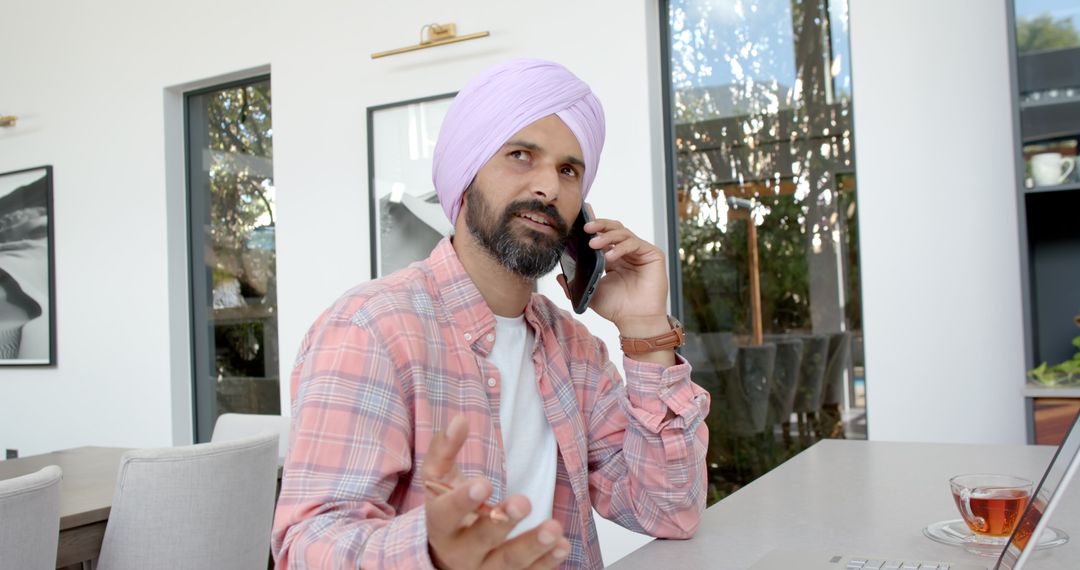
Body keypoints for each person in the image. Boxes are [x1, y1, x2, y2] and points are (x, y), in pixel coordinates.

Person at [271, 59, 710, 569]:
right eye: (521, 155)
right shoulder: (370, 330)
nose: (549, 186)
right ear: (466, 173)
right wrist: (431, 552)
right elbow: (307, 546)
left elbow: (668, 511)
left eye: (569, 170)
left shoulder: (573, 349)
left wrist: (645, 331)